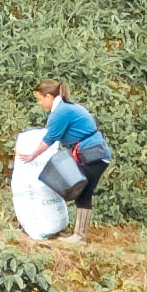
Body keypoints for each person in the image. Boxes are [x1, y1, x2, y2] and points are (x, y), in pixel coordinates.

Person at [24, 82, 111, 239]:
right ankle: (77, 234)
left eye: (40, 99)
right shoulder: (67, 108)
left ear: (49, 97)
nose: (39, 103)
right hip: (94, 153)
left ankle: (79, 236)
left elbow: (49, 138)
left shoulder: (60, 112)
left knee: (83, 193)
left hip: (93, 155)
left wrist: (32, 155)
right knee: (80, 191)